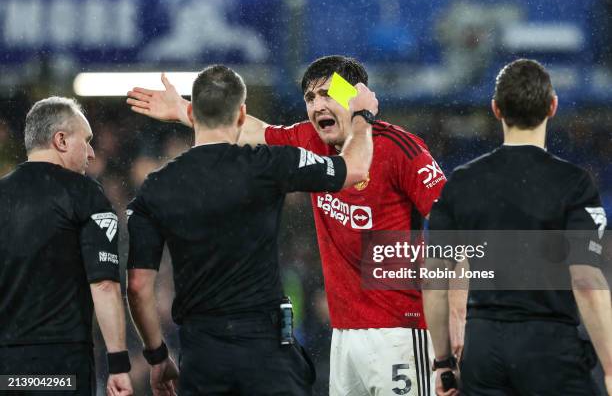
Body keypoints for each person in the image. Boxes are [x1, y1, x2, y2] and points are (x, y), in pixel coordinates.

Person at [126, 55, 451, 395]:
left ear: (357, 98)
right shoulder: (309, 141)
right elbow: (250, 129)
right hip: (343, 335)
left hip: (398, 331)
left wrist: (454, 325)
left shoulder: (400, 148)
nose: (317, 105)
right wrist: (186, 111)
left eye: (328, 94)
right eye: (310, 98)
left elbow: (454, 224)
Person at [424, 59, 612, 395]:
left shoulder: (462, 182)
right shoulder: (573, 183)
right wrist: (611, 368)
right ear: (552, 106)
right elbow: (585, 278)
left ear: (496, 109)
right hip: (549, 347)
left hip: (482, 348)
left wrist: (443, 363)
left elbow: (435, 277)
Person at [0, 97, 133, 395]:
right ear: (60, 140)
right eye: (85, 141)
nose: (91, 152)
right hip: (60, 366)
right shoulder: (84, 193)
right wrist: (119, 363)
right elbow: (104, 285)